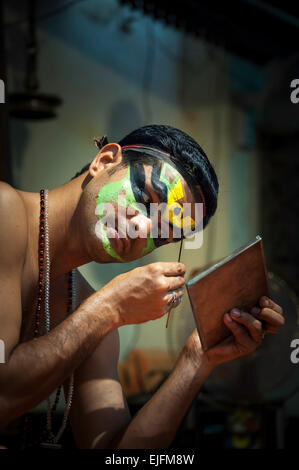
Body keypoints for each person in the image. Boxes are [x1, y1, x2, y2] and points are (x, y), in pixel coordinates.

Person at [0, 125, 284, 449]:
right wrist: (111, 308)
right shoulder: (4, 212)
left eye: (162, 233)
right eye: (146, 199)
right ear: (105, 161)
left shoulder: (86, 309)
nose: (142, 228)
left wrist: (199, 358)